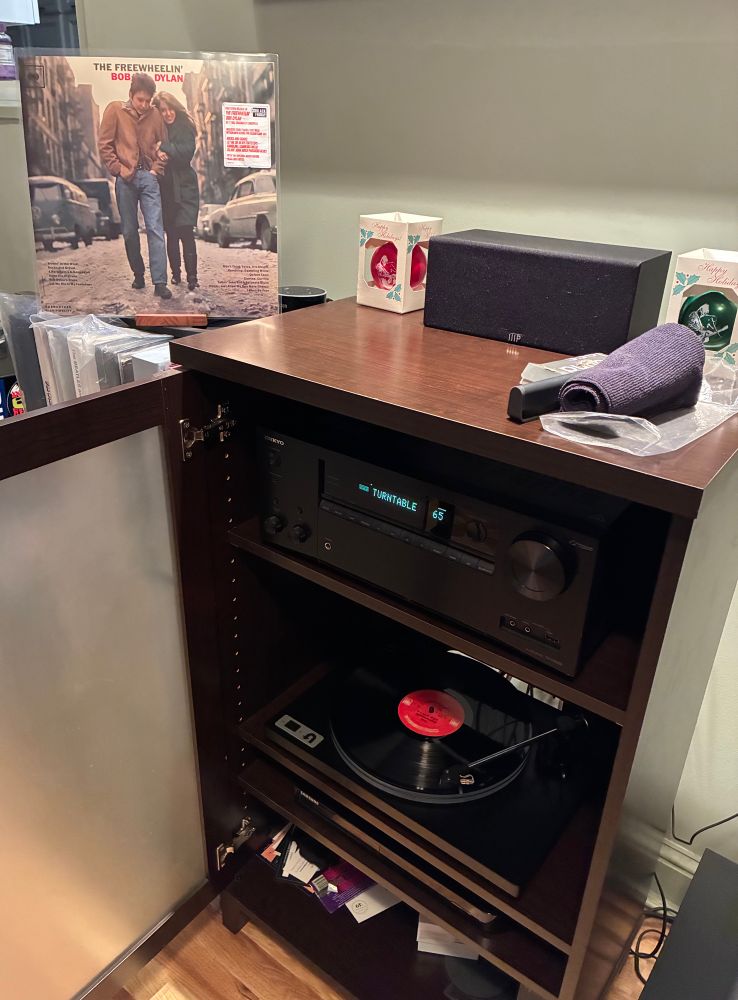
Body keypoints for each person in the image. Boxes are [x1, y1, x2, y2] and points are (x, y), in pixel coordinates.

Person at [98, 72, 172, 300]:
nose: (145, 104)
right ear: (131, 95)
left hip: (149, 179)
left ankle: (160, 282)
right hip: (125, 179)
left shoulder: (155, 116)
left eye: (148, 100)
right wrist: (119, 169)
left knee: (155, 229)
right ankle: (138, 273)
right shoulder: (114, 110)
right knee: (130, 232)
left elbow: (164, 146)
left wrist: (155, 170)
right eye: (141, 99)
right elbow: (104, 144)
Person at [152, 92, 200, 291]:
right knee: (171, 233)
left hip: (186, 186)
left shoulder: (185, 126)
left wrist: (163, 147)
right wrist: (158, 152)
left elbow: (186, 153)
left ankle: (192, 277)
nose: (168, 113)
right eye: (163, 110)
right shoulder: (157, 128)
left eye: (170, 108)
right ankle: (176, 274)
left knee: (186, 232)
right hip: (167, 186)